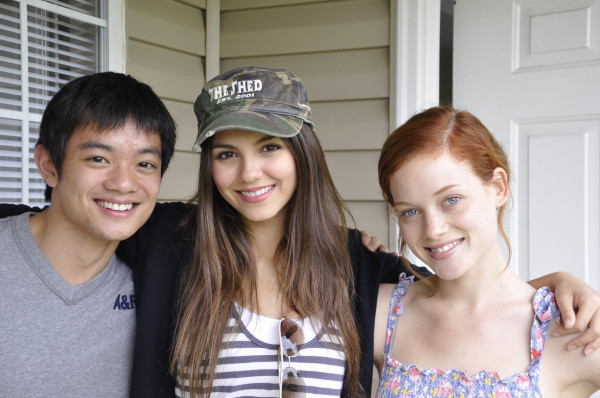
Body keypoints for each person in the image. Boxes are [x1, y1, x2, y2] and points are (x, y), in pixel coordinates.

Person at [1, 68, 599, 398]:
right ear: (208, 167)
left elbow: (457, 281)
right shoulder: (168, 240)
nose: (250, 172)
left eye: (269, 148)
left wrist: (550, 287)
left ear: (302, 155)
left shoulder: (358, 268)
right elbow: (74, 212)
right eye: (226, 153)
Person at [374, 106, 600, 396]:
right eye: (410, 212)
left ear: (498, 188)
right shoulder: (383, 313)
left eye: (451, 199)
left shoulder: (572, 330)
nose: (433, 229)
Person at [0, 72, 176, 397]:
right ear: (49, 165)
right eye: (98, 158)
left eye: (145, 164)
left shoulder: (156, 287)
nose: (124, 183)